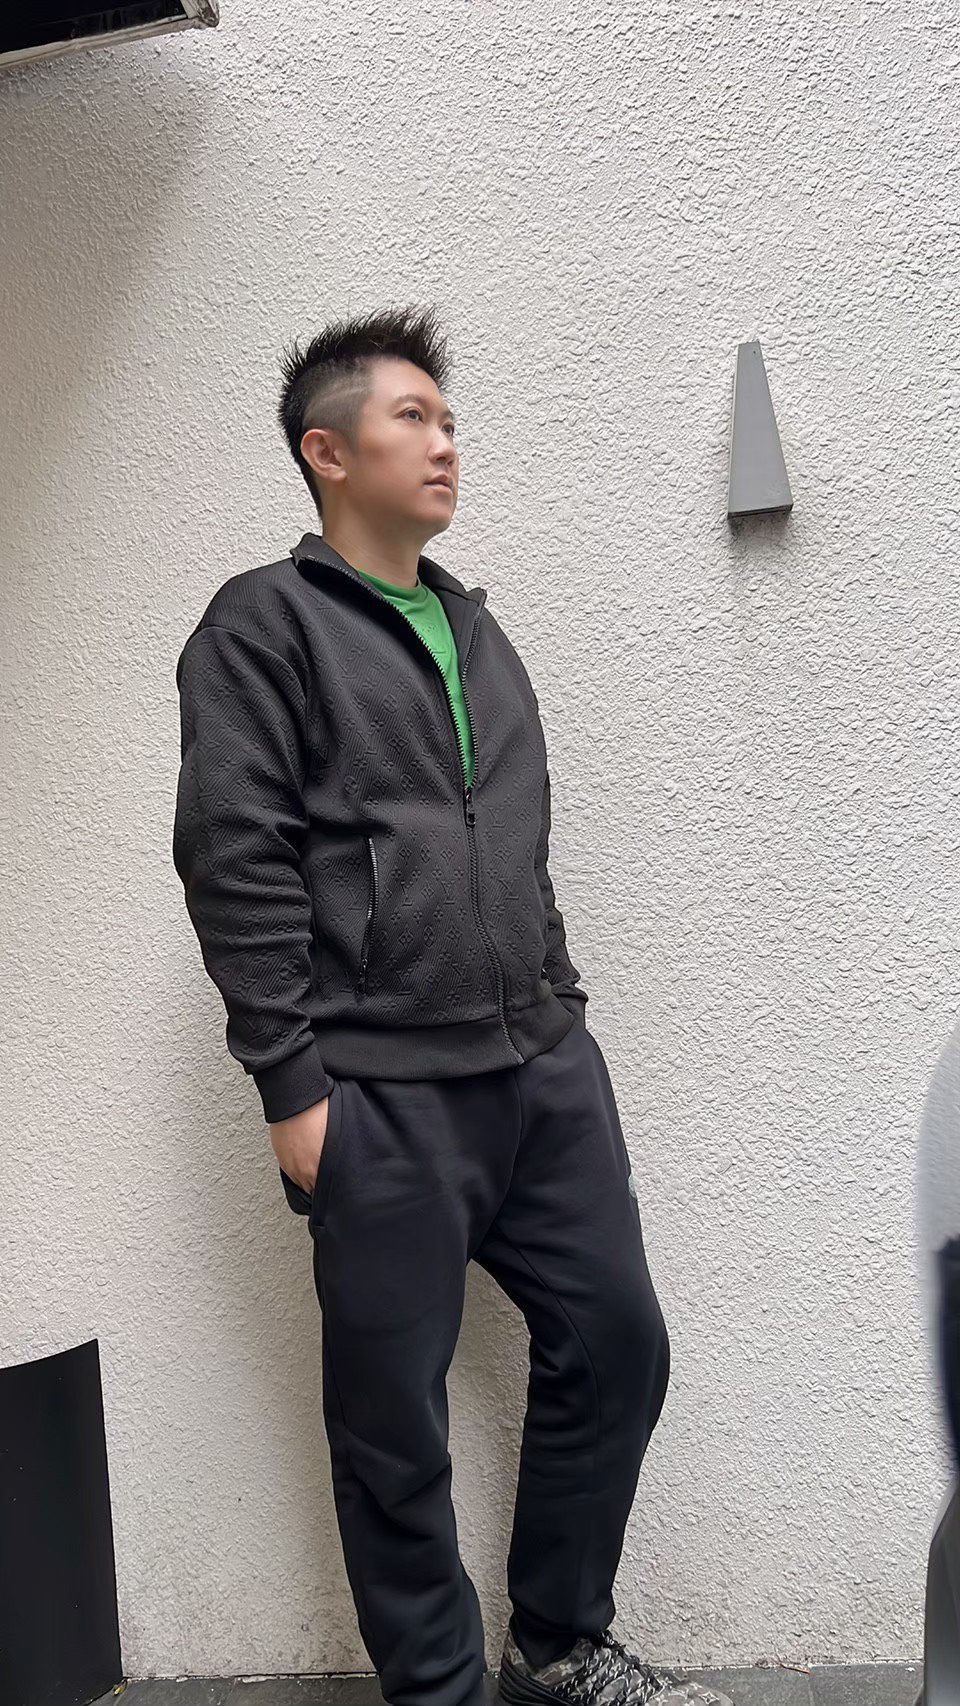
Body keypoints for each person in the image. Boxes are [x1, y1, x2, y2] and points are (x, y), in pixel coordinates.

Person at [172, 304, 730, 1706]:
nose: (444, 443)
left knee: (616, 1338)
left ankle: (558, 1644)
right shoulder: (263, 625)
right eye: (411, 417)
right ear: (328, 450)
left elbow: (515, 846)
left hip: (539, 1066)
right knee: (392, 1428)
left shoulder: (478, 628)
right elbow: (233, 856)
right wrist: (292, 1083)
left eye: (450, 420)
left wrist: (560, 998)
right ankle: (439, 1691)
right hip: (378, 1089)